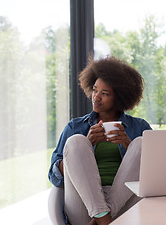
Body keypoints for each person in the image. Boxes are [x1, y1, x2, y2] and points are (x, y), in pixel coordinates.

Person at [48, 56, 152, 225]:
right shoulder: (75, 127)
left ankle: (102, 218)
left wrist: (128, 145)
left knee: (140, 143)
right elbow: (54, 177)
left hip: (125, 203)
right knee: (76, 141)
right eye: (95, 90)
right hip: (83, 203)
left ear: (119, 98)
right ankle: (103, 218)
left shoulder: (139, 126)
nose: (96, 97)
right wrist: (86, 145)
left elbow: (154, 176)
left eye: (104, 94)